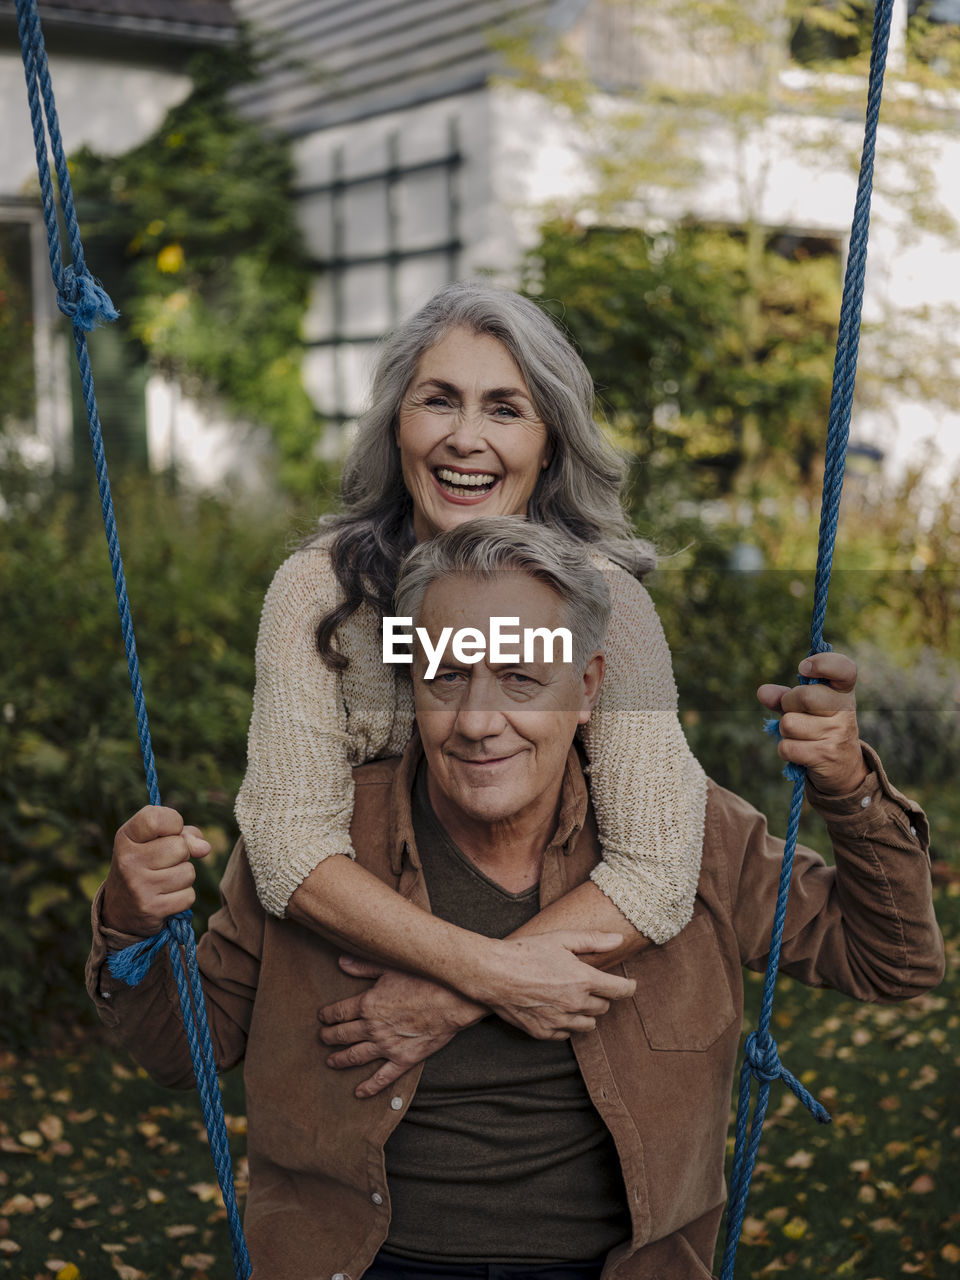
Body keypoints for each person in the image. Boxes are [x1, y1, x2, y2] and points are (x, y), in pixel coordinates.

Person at [88, 520, 944, 1280]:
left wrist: (846, 787)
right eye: (447, 676)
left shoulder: (687, 832)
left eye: (522, 679)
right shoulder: (323, 845)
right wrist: (129, 924)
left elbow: (893, 958)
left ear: (590, 689)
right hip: (363, 1261)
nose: (477, 720)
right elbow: (181, 1052)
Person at [233, 282, 709, 1043]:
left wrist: (450, 1001)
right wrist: (486, 973)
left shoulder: (607, 606)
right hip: (339, 1011)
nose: (465, 437)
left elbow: (655, 865)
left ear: (549, 442)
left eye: (505, 409)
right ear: (397, 426)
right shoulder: (319, 592)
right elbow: (288, 842)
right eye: (439, 400)